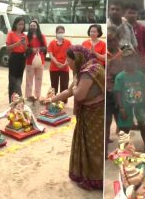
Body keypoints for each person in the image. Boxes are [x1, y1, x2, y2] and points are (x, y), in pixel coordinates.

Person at [40, 45, 104, 190]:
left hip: (95, 114)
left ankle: (94, 179)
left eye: (69, 59)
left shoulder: (89, 72)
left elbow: (78, 94)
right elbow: (69, 91)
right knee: (87, 144)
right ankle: (86, 174)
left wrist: (75, 87)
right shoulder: (83, 69)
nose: (67, 62)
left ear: (77, 59)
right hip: (88, 113)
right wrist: (51, 99)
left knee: (93, 147)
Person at [114, 48, 145, 156]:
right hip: (126, 107)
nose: (129, 62)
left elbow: (144, 92)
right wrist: (121, 109)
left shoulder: (141, 76)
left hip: (139, 106)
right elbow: (118, 93)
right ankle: (123, 150)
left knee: (142, 126)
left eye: (131, 59)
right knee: (124, 129)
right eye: (126, 59)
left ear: (135, 60)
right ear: (123, 61)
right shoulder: (120, 77)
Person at [124, 3, 145, 124]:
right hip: (126, 66)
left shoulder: (142, 29)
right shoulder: (122, 29)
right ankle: (130, 117)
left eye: (134, 13)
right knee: (128, 91)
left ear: (137, 14)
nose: (132, 15)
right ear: (125, 14)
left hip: (140, 65)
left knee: (142, 89)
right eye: (129, 12)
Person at [105, 25, 123, 157]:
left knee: (121, 118)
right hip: (106, 91)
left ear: (118, 40)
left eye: (114, 40)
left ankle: (123, 149)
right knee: (106, 120)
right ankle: (104, 149)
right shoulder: (102, 53)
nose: (111, 43)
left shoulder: (123, 53)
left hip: (120, 91)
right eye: (108, 40)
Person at [47, 25, 72, 103]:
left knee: (64, 85)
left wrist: (64, 64)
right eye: (59, 32)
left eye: (62, 32)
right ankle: (53, 101)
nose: (61, 34)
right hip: (54, 68)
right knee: (54, 86)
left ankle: (63, 101)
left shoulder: (68, 42)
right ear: (56, 33)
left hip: (65, 68)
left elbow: (70, 55)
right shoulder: (52, 43)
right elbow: (51, 55)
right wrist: (57, 63)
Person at [25, 19, 47, 102]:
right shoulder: (27, 37)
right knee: (29, 80)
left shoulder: (42, 36)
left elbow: (45, 48)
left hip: (40, 61)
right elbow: (25, 49)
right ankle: (29, 95)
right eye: (31, 26)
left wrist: (39, 49)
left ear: (37, 27)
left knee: (39, 79)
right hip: (30, 62)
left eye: (34, 26)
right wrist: (31, 50)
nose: (32, 27)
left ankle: (37, 95)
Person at [6, 17, 27, 103]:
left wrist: (24, 44)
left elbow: (26, 49)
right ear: (15, 24)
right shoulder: (11, 34)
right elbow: (8, 48)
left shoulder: (24, 36)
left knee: (19, 79)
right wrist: (18, 43)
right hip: (14, 57)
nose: (21, 26)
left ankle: (18, 100)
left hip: (22, 58)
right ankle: (13, 101)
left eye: (22, 24)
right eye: (19, 24)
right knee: (12, 81)